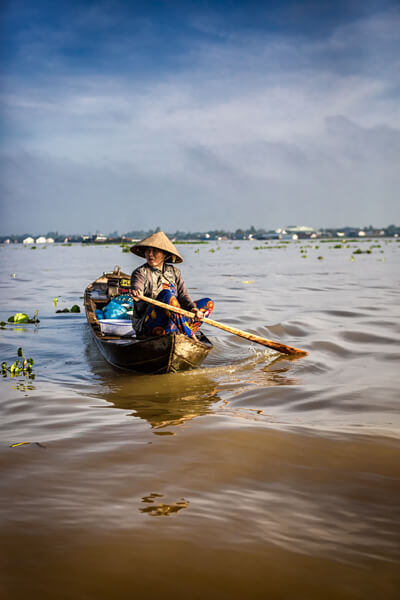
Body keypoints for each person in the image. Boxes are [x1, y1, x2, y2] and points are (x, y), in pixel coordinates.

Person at [129, 231, 214, 338]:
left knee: (208, 303)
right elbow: (137, 284)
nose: (150, 254)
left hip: (174, 321)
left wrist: (194, 310)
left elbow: (183, 296)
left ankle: (181, 330)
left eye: (155, 251)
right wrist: (137, 291)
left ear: (164, 254)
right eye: (148, 251)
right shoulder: (140, 272)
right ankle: (190, 336)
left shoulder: (174, 272)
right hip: (149, 324)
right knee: (166, 294)